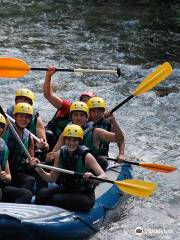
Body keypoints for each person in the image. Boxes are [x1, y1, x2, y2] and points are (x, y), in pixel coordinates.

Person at [30, 124, 107, 211]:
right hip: (67, 189)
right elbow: (51, 179)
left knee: (56, 199)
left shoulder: (87, 156)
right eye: (68, 139)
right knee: (42, 194)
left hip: (84, 195)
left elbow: (104, 176)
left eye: (75, 140)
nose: (71, 143)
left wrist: (93, 178)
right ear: (64, 140)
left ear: (79, 141)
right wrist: (38, 169)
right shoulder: (60, 153)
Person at [48, 101, 124, 170]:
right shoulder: (67, 131)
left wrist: (113, 122)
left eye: (82, 115)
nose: (78, 118)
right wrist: (50, 157)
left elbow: (120, 139)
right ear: (71, 117)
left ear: (87, 117)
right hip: (72, 166)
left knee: (102, 161)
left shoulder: (96, 132)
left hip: (91, 169)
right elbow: (54, 152)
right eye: (75, 115)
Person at [43, 65, 96, 151]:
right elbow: (48, 95)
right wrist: (48, 75)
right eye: (84, 100)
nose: (85, 104)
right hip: (53, 139)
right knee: (48, 134)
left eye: (89, 102)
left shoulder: (95, 116)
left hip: (72, 144)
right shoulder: (69, 107)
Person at [3, 103, 47, 192]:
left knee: (30, 180)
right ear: (14, 116)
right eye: (21, 116)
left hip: (17, 172)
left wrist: (32, 162)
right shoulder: (6, 129)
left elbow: (30, 161)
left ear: (30, 119)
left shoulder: (29, 137)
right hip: (4, 171)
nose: (24, 119)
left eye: (27, 117)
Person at [0, 113, 32, 203]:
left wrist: (4, 176)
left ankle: (12, 214)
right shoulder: (8, 134)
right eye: (21, 116)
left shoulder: (3, 148)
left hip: (3, 184)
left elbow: (9, 177)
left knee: (27, 194)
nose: (0, 129)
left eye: (1, 126)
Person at [6, 88, 49, 154]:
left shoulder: (36, 120)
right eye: (20, 99)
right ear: (16, 102)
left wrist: (42, 145)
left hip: (27, 150)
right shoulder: (6, 116)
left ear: (31, 104)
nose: (23, 102)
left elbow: (46, 146)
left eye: (26, 100)